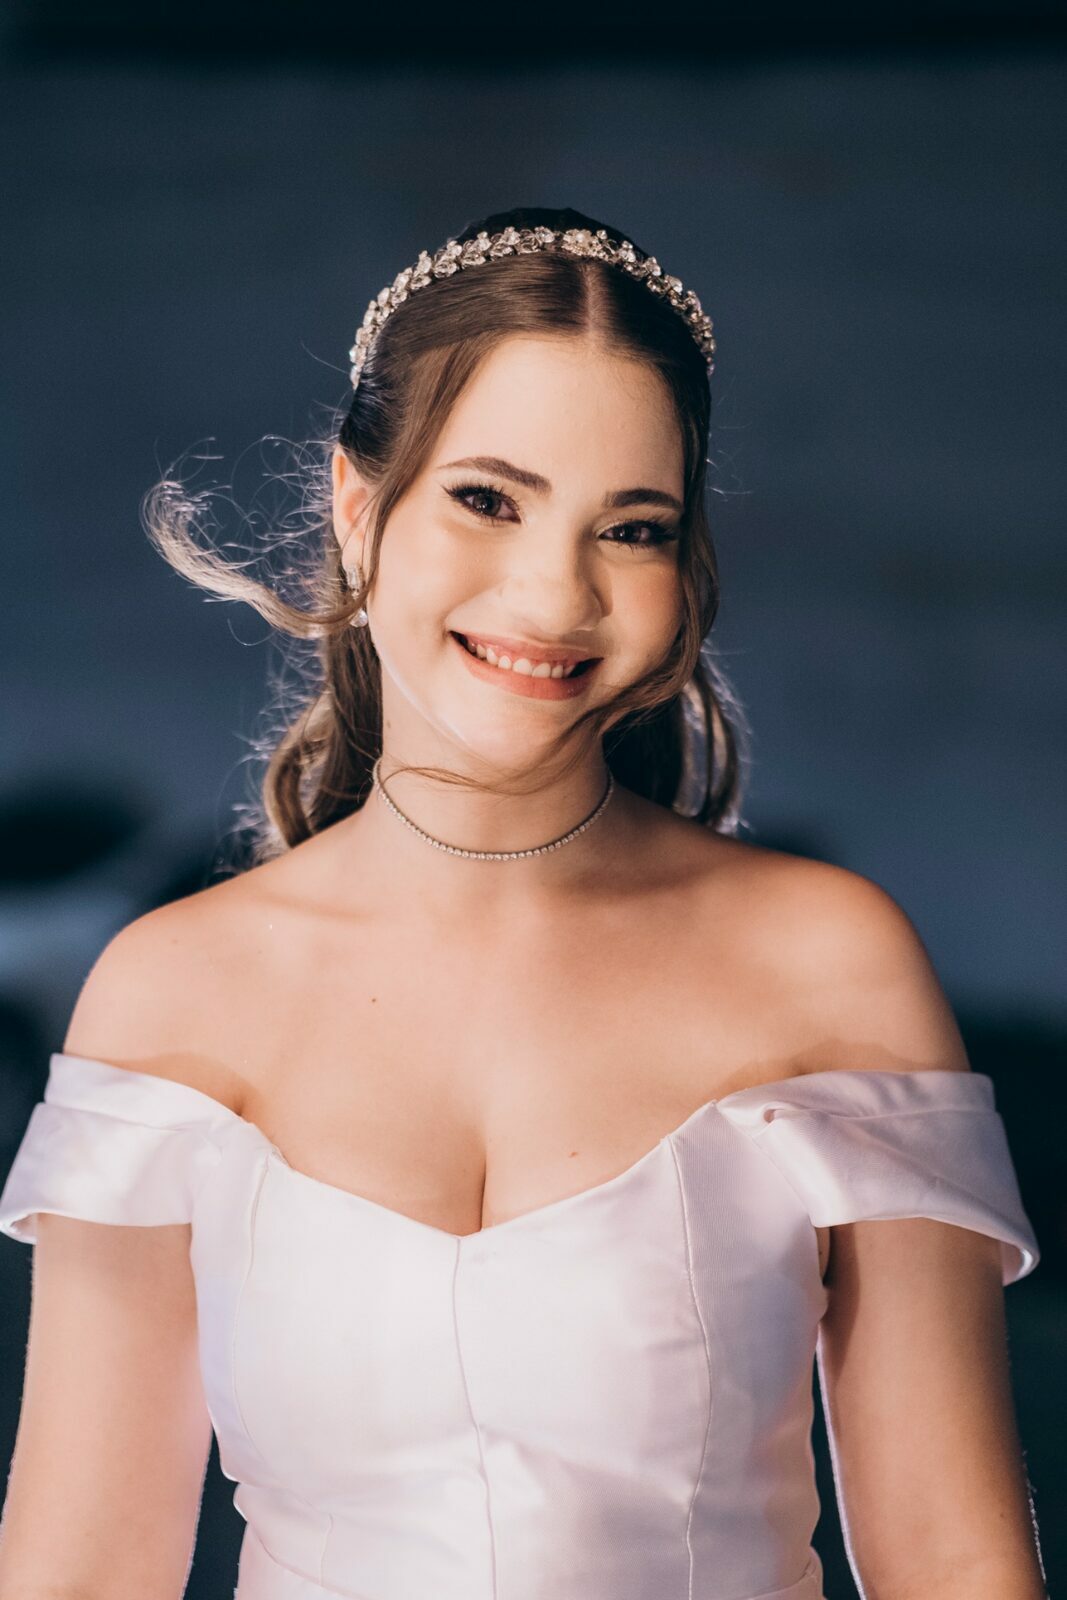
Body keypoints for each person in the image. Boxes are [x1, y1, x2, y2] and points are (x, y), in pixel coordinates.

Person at [0, 205, 1047, 1600]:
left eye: (631, 527)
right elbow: (78, 1576)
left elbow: (955, 1564)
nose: (555, 594)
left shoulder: (828, 963)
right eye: (488, 499)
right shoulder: (170, 994)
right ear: (359, 506)